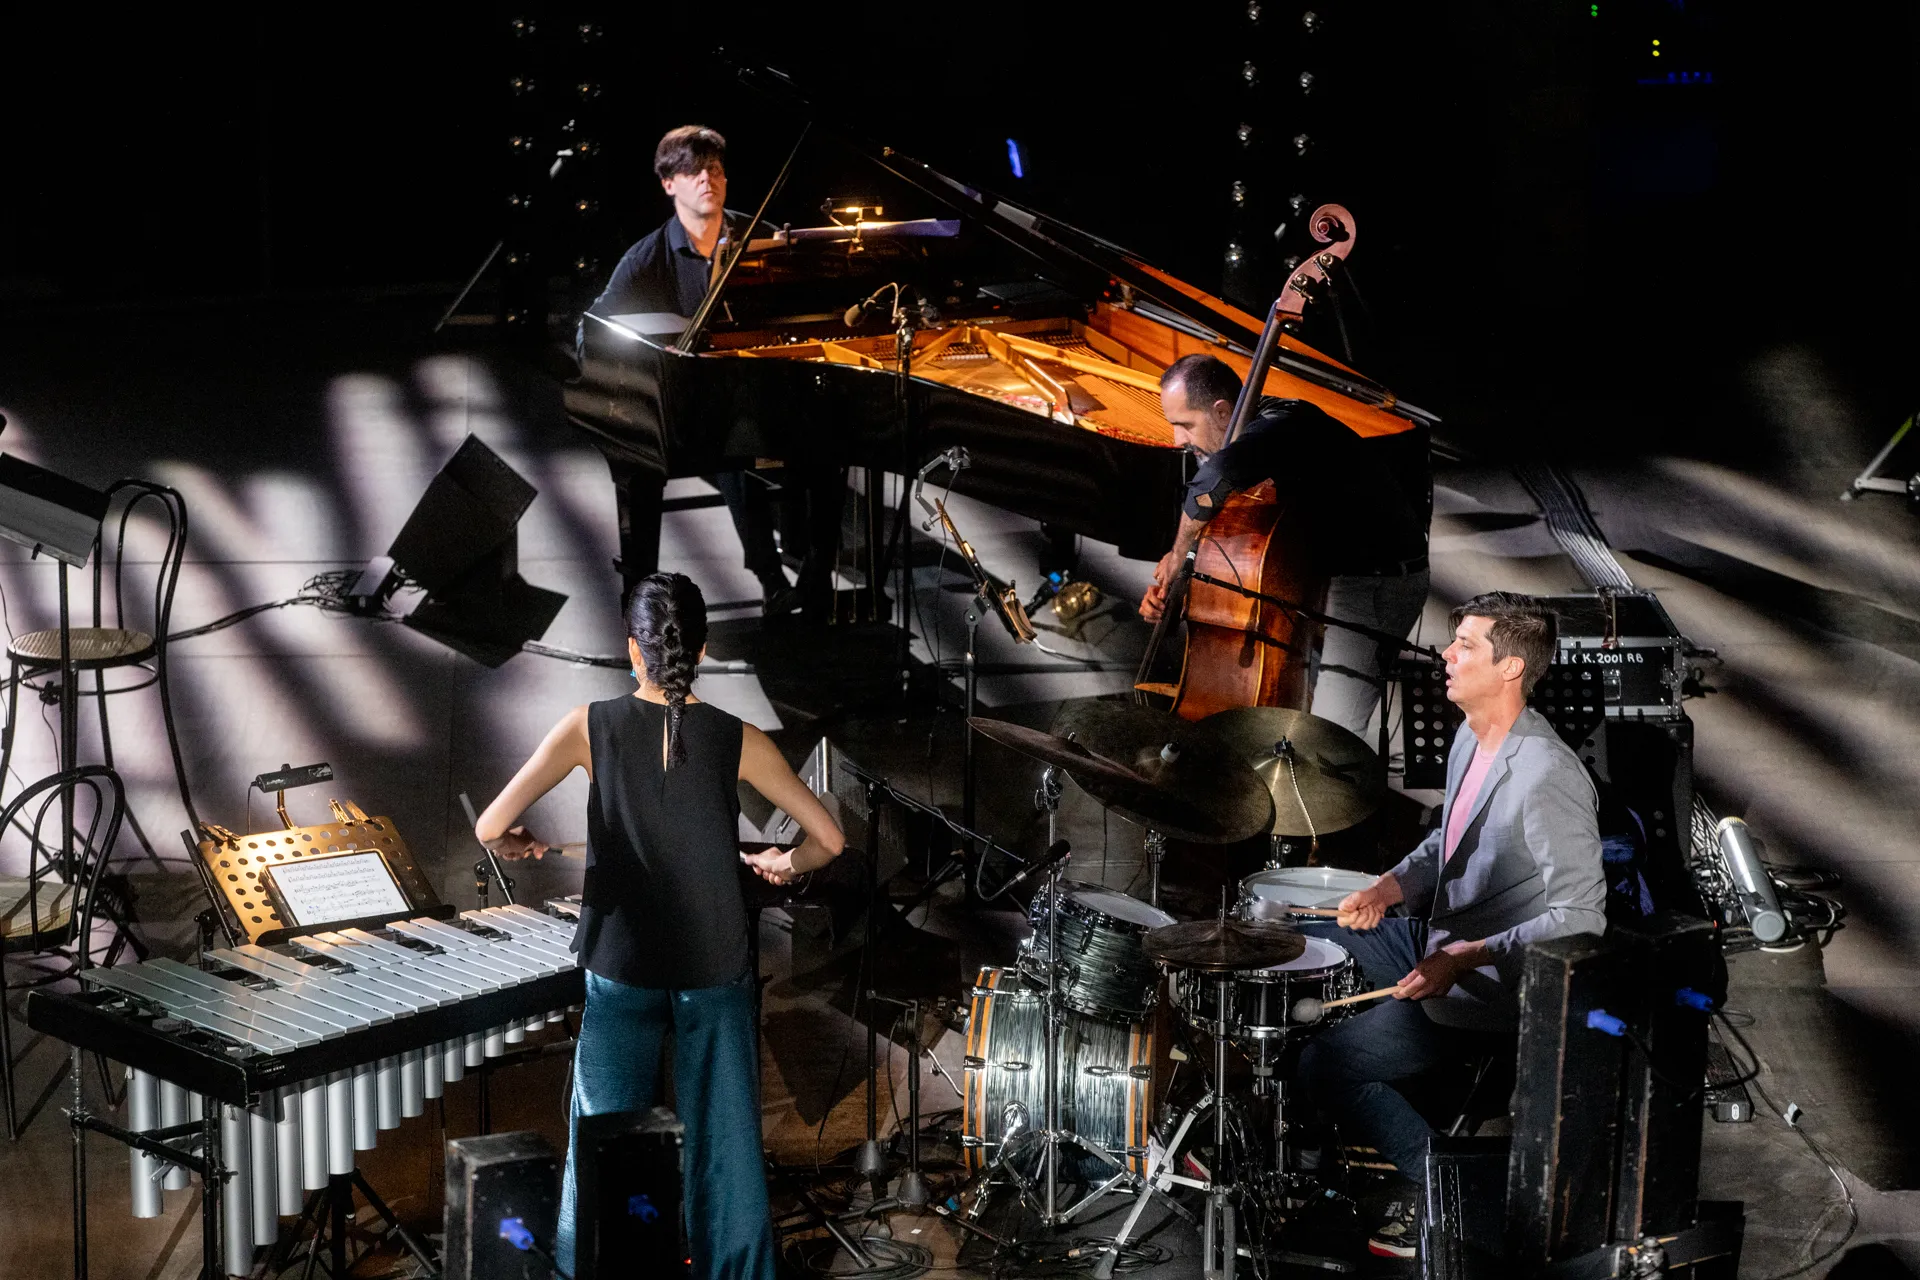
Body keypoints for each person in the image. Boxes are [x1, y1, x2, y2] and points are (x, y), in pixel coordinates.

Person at [474, 571, 845, 1279]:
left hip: (623, 967)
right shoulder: (739, 739)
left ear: (632, 650)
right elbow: (829, 840)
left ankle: (598, 1270)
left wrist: (517, 840)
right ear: (700, 651)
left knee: (604, 1140)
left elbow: (491, 826)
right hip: (715, 967)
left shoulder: (588, 726)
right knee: (726, 1144)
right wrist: (784, 861)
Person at [1294, 591, 1606, 1257]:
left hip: (1492, 987)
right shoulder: (1472, 734)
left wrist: (1465, 958)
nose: (1446, 655)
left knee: (1327, 1064)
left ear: (1510, 668)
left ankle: (1440, 1188)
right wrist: (1387, 888)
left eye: (1465, 645)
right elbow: (1446, 842)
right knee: (1299, 936)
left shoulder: (1547, 775)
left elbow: (1581, 918)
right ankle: (1311, 1139)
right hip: (1437, 941)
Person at [588, 124, 842, 619]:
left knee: (835, 442)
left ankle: (818, 573)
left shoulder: (763, 240)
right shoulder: (647, 257)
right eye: (693, 171)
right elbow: (595, 326)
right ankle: (771, 579)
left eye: (716, 170)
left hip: (773, 390)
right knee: (736, 451)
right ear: (669, 184)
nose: (708, 179)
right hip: (693, 409)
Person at [1137, 354, 1431, 735]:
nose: (1178, 440)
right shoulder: (1234, 436)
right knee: (1296, 723)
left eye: (1185, 425)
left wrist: (1178, 554)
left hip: (1375, 581)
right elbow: (1215, 532)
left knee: (1329, 732)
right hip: (1321, 573)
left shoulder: (1282, 427)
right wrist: (1178, 587)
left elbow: (1215, 479)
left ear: (1223, 411)